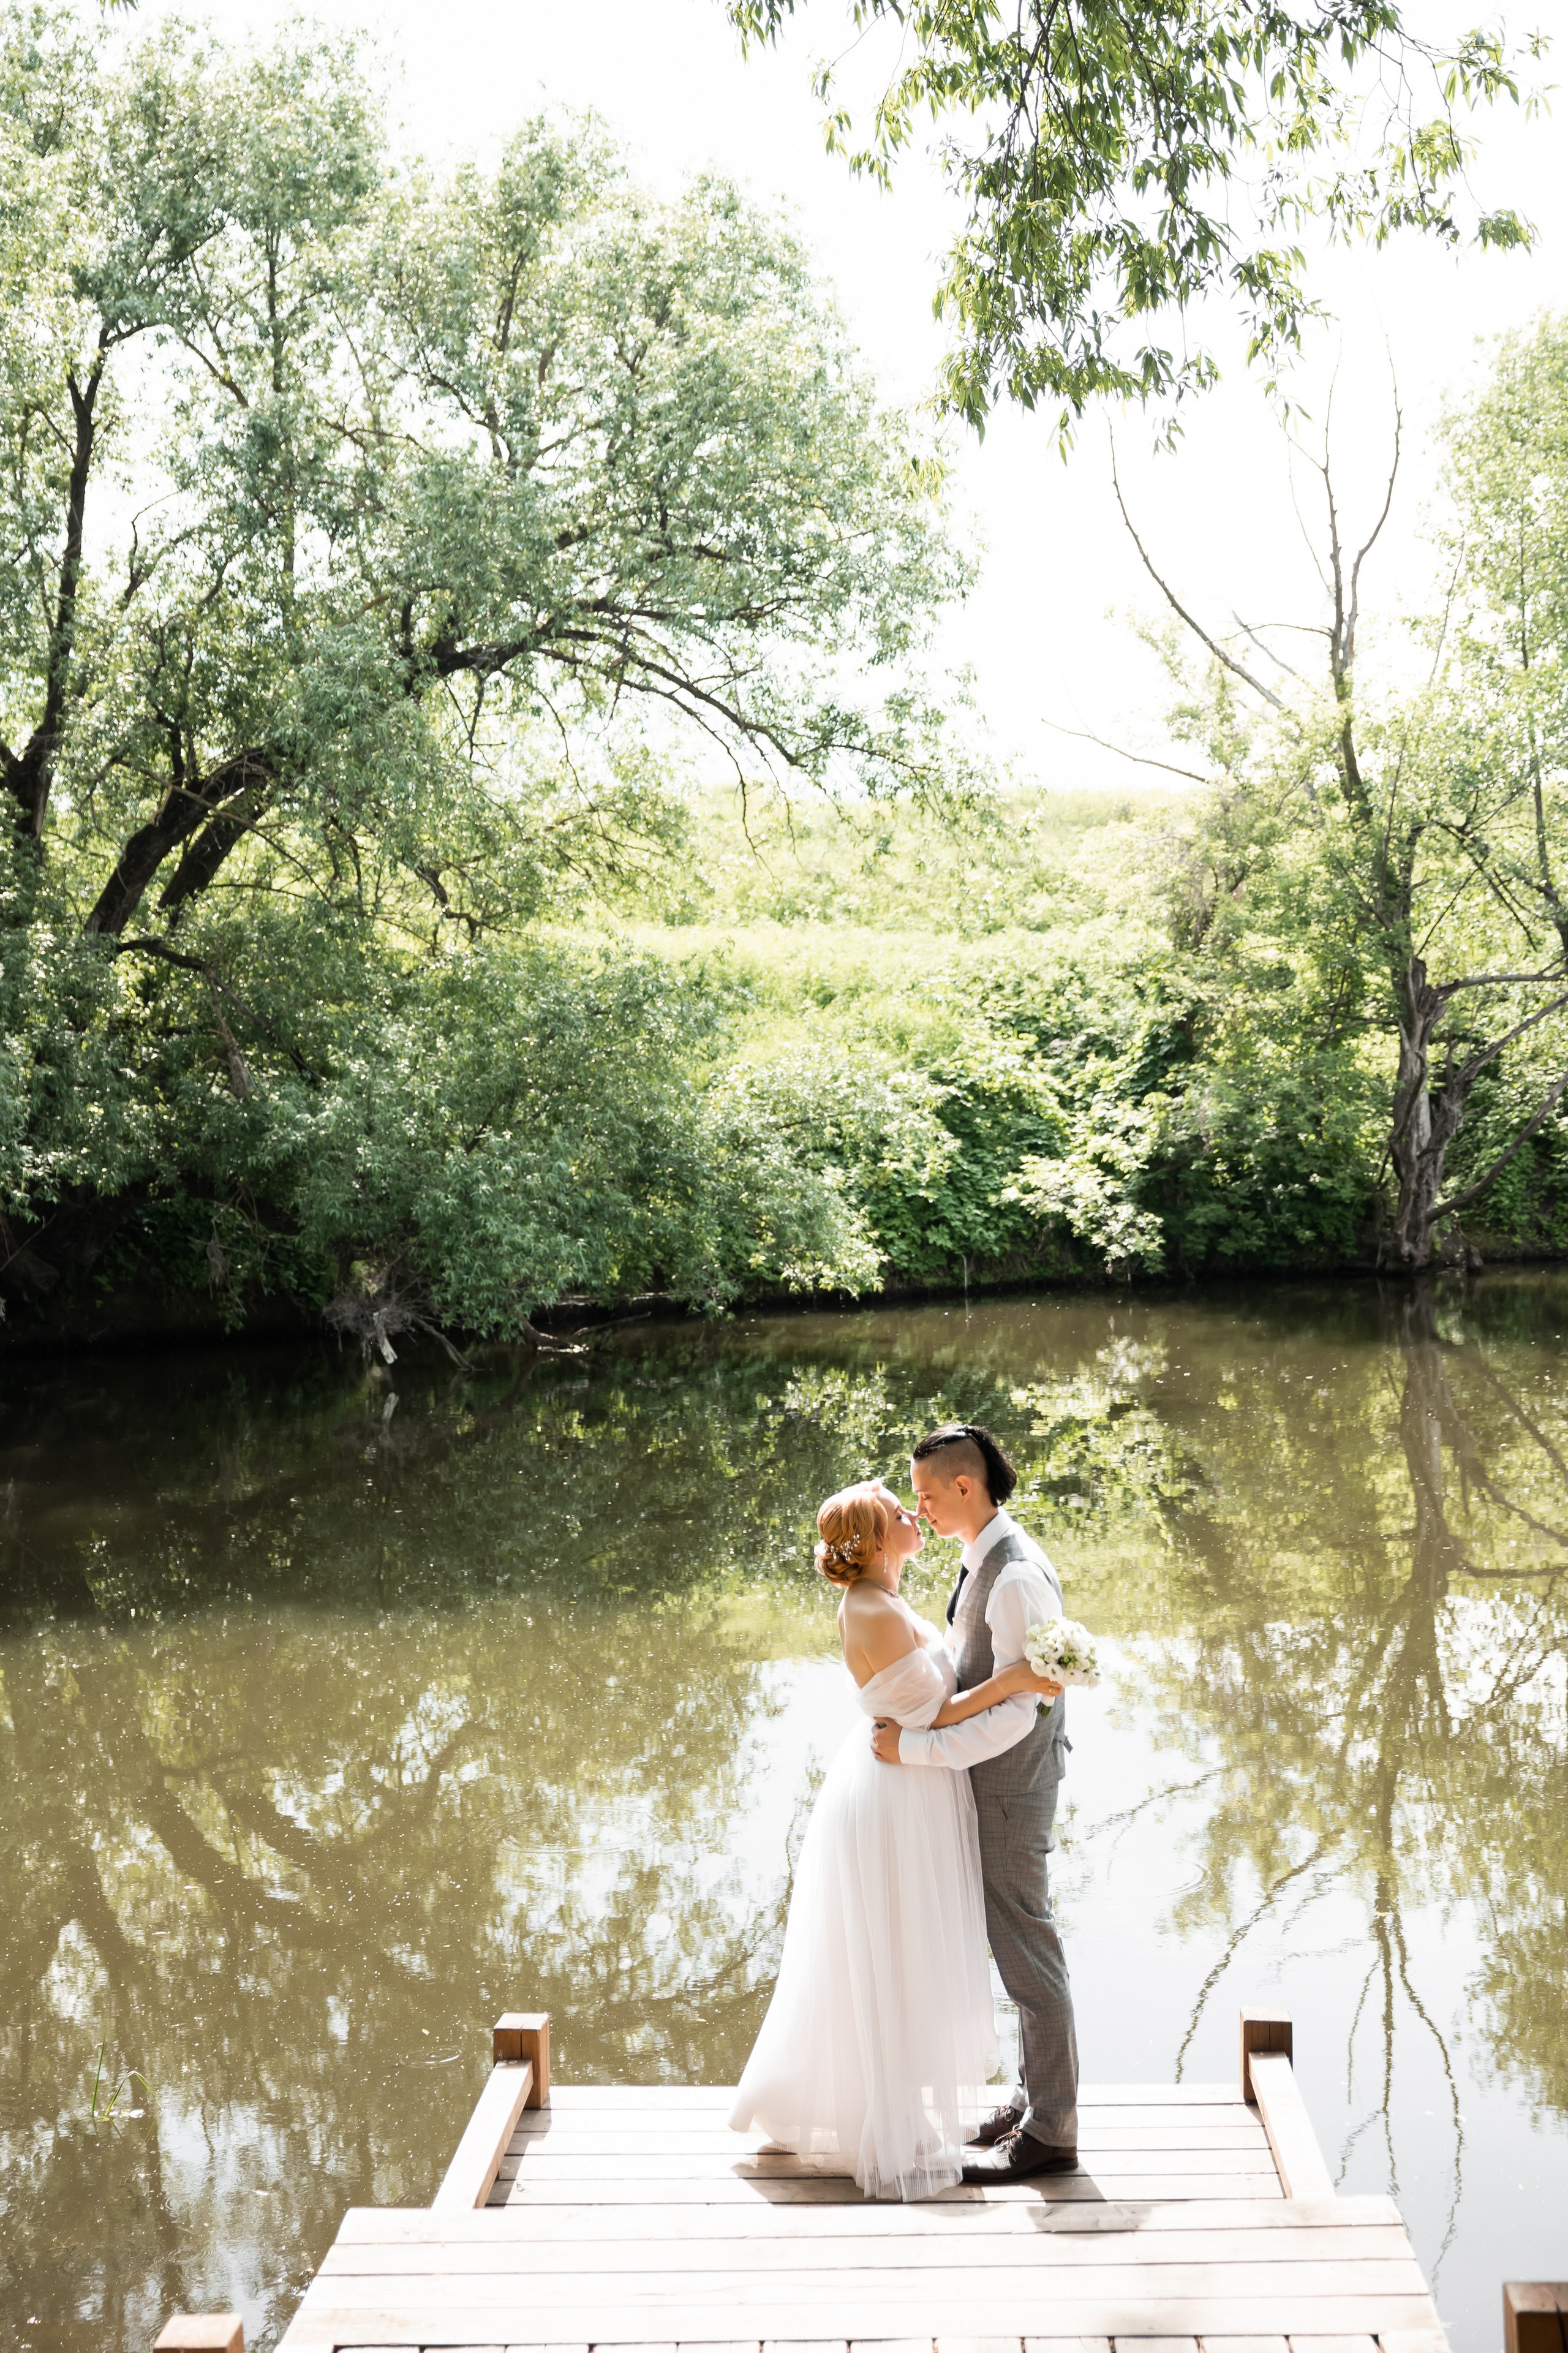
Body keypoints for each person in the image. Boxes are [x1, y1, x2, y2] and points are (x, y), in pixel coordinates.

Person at [729, 1478, 1061, 2200]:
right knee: (893, 1952)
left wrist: (1016, 1677)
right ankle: (887, 2119)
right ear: (878, 1541)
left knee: (911, 1947)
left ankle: (920, 2105)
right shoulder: (871, 1608)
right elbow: (934, 1714)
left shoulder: (890, 1595)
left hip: (916, 1786)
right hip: (893, 1791)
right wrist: (1016, 1681)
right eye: (898, 1511)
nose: (914, 1513)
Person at [870, 1422, 1079, 2183]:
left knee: (1027, 1951)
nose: (918, 1508)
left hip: (1011, 1787)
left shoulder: (1015, 1574)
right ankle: (1034, 2102)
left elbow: (1019, 1709)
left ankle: (1053, 2130)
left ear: (966, 1486)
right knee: (1016, 1944)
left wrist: (915, 1749)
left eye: (925, 1494)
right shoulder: (985, 1555)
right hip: (995, 1782)